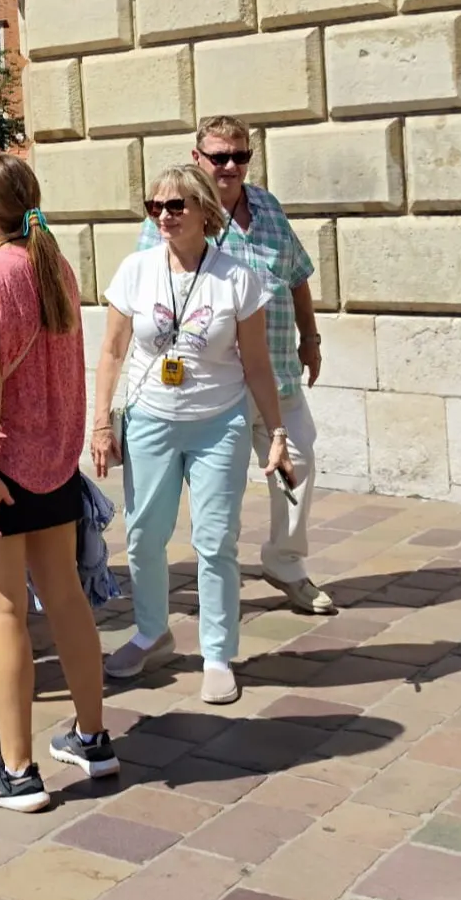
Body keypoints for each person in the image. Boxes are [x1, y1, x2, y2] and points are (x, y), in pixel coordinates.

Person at [0, 154, 114, 812]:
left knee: (5, 611)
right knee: (65, 596)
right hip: (53, 458)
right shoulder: (54, 264)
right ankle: (92, 736)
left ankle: (17, 769)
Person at [100, 164, 295, 703]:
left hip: (219, 423)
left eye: (175, 205)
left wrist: (277, 431)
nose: (163, 216)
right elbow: (112, 351)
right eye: (155, 206)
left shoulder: (237, 277)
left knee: (215, 540)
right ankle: (151, 632)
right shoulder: (135, 270)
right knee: (143, 535)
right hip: (150, 419)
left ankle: (217, 654)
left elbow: (257, 364)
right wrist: (100, 423)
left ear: (204, 210)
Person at [135, 116, 334, 616]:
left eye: (240, 156)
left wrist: (310, 339)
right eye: (219, 156)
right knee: (217, 492)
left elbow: (297, 275)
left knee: (298, 464)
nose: (230, 166)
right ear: (198, 157)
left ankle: (286, 564)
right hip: (215, 383)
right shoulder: (173, 212)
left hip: (276, 370)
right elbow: (146, 291)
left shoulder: (267, 207)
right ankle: (211, 584)